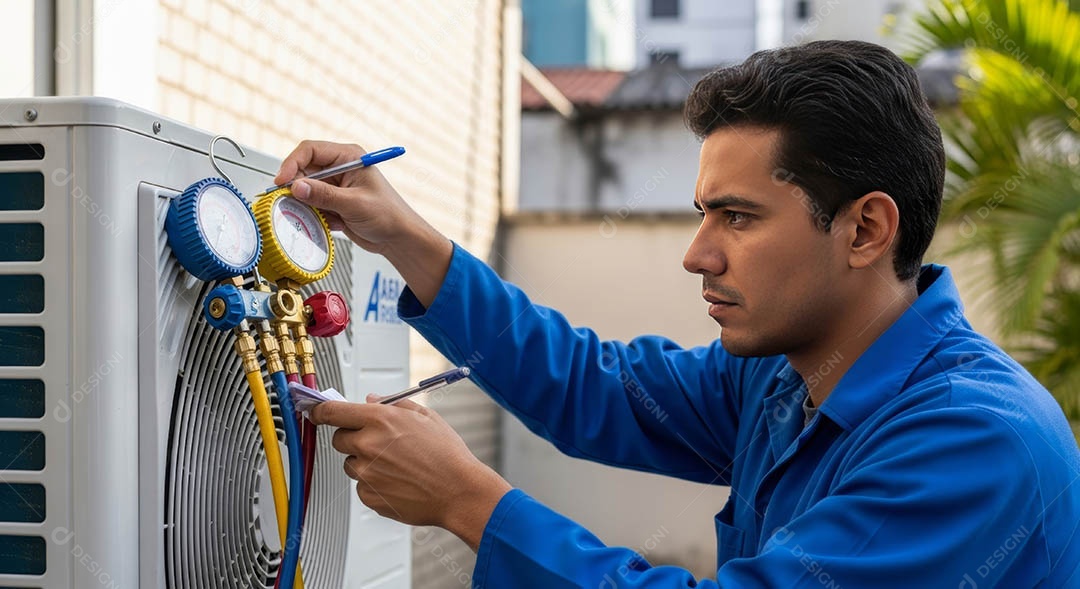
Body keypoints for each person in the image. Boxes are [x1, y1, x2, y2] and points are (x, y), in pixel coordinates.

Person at [279, 40, 1080, 587]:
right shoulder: (782, 377)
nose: (697, 255)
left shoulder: (974, 445)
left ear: (865, 229)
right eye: (703, 214)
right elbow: (594, 386)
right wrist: (407, 238)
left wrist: (469, 503)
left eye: (737, 217)